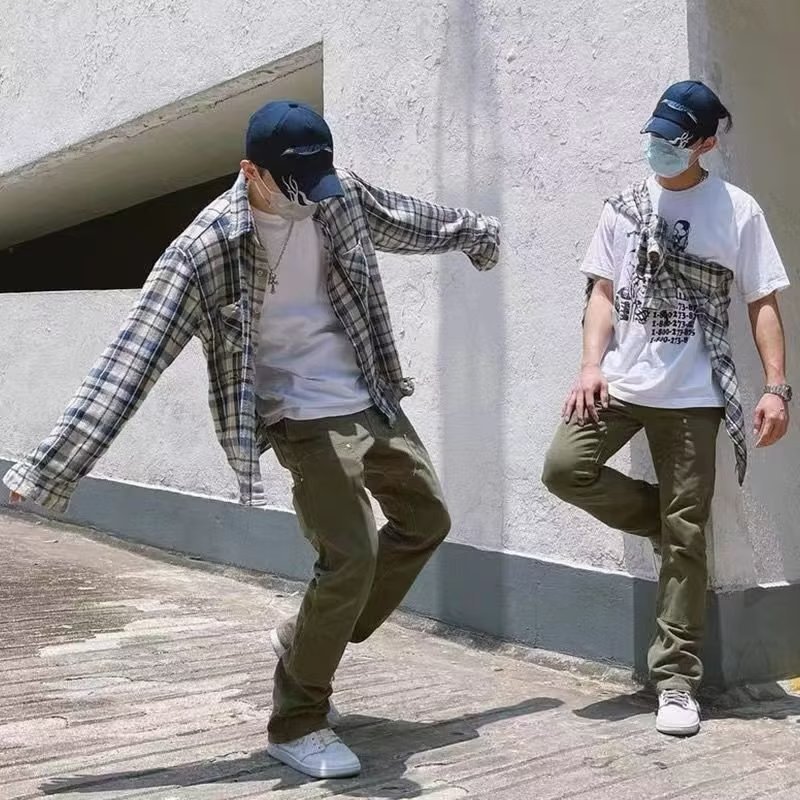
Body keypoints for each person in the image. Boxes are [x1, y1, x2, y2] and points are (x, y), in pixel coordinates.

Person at [4, 100, 501, 777]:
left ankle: (306, 637)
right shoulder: (205, 250)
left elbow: (407, 219)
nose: (309, 201)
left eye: (317, 184)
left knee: (426, 519)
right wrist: (50, 467)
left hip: (367, 392)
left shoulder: (338, 196)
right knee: (350, 557)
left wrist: (477, 233)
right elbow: (131, 360)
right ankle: (297, 722)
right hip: (297, 412)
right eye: (293, 188)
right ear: (251, 173)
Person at [542, 80, 790, 737]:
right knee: (565, 468)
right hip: (619, 385)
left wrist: (776, 387)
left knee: (687, 534)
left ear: (705, 143)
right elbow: (602, 292)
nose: (657, 147)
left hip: (693, 396)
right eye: (653, 135)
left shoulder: (736, 210)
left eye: (672, 139)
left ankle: (676, 682)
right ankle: (666, 522)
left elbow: (762, 301)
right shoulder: (624, 207)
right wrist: (590, 365)